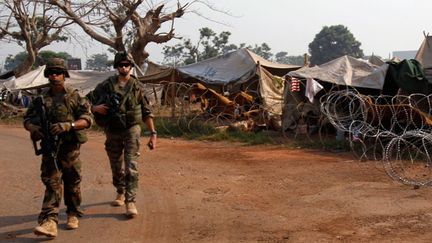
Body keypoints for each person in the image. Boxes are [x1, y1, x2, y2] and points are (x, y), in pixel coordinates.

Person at [24, 58, 92, 238]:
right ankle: (49, 221)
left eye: (58, 73)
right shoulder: (41, 99)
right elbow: (28, 120)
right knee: (52, 183)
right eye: (51, 73)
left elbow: (87, 119)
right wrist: (34, 129)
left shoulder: (74, 96)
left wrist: (69, 125)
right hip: (49, 147)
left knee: (72, 183)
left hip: (70, 148)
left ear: (64, 75)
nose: (54, 76)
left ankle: (72, 213)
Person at [87, 51, 157, 218]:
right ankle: (120, 190)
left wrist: (153, 133)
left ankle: (130, 201)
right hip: (112, 130)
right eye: (121, 65)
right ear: (116, 67)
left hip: (132, 128)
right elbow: (86, 101)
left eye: (127, 65)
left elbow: (147, 112)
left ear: (131, 67)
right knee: (116, 166)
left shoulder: (137, 86)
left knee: (131, 165)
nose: (124, 67)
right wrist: (95, 108)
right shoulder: (106, 85)